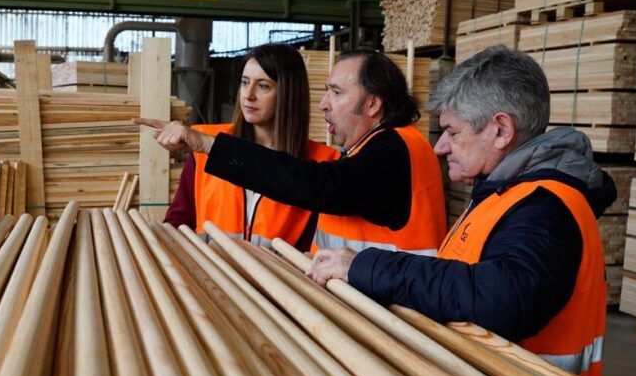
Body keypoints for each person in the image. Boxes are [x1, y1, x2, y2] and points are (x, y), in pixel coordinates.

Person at [309, 45, 614, 376]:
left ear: (501, 130)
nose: (440, 148)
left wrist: (367, 267)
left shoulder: (545, 208)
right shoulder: (506, 192)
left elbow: (503, 297)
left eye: (453, 132)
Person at [137, 48, 446, 257]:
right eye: (244, 82)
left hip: (383, 311)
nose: (324, 103)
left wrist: (207, 145)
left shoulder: (390, 149)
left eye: (336, 93)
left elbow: (316, 185)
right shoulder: (380, 146)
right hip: (221, 285)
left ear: (372, 105)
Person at [164, 43, 338, 250]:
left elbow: (314, 250)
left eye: (263, 86)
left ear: (288, 93)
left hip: (279, 281)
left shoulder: (321, 164)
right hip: (209, 279)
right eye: (245, 83)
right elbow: (177, 224)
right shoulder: (205, 146)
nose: (248, 95)